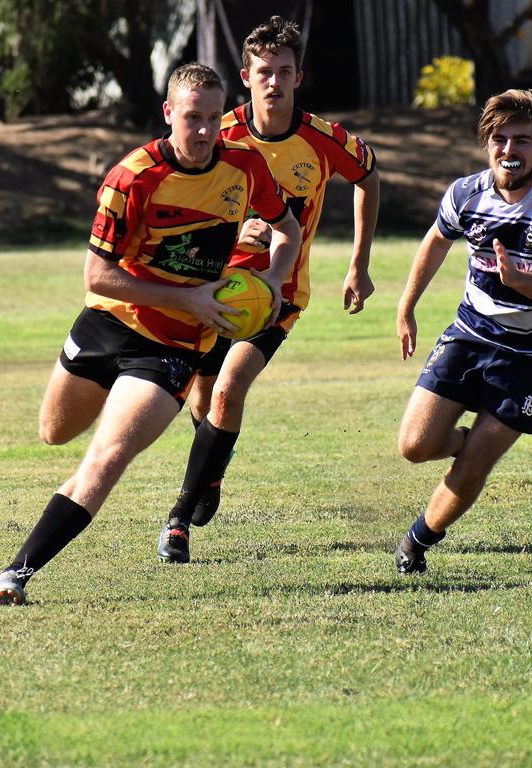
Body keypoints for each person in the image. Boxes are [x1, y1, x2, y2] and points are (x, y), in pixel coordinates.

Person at [0, 63, 301, 605]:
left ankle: (15, 574)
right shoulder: (132, 177)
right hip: (107, 322)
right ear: (168, 113)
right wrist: (188, 296)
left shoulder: (245, 168)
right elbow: (97, 276)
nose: (203, 131)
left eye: (214, 119)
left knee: (106, 458)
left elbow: (287, 228)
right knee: (54, 433)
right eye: (192, 117)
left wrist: (269, 278)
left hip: (173, 346)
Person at [156, 15, 380, 564]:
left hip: (277, 296)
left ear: (299, 77)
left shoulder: (324, 141)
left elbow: (370, 177)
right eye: (264, 72)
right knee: (203, 397)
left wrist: (359, 264)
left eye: (284, 72)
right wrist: (238, 229)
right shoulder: (220, 132)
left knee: (230, 388)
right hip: (211, 287)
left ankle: (178, 518)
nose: (273, 82)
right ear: (246, 75)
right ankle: (209, 475)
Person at [393, 88, 532, 575]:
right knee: (415, 446)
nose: (509, 150)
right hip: (472, 332)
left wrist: (519, 278)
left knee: (476, 461)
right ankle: (471, 438)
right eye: (499, 139)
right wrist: (406, 305)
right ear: (487, 143)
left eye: (521, 141)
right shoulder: (466, 194)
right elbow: (436, 240)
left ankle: (417, 541)